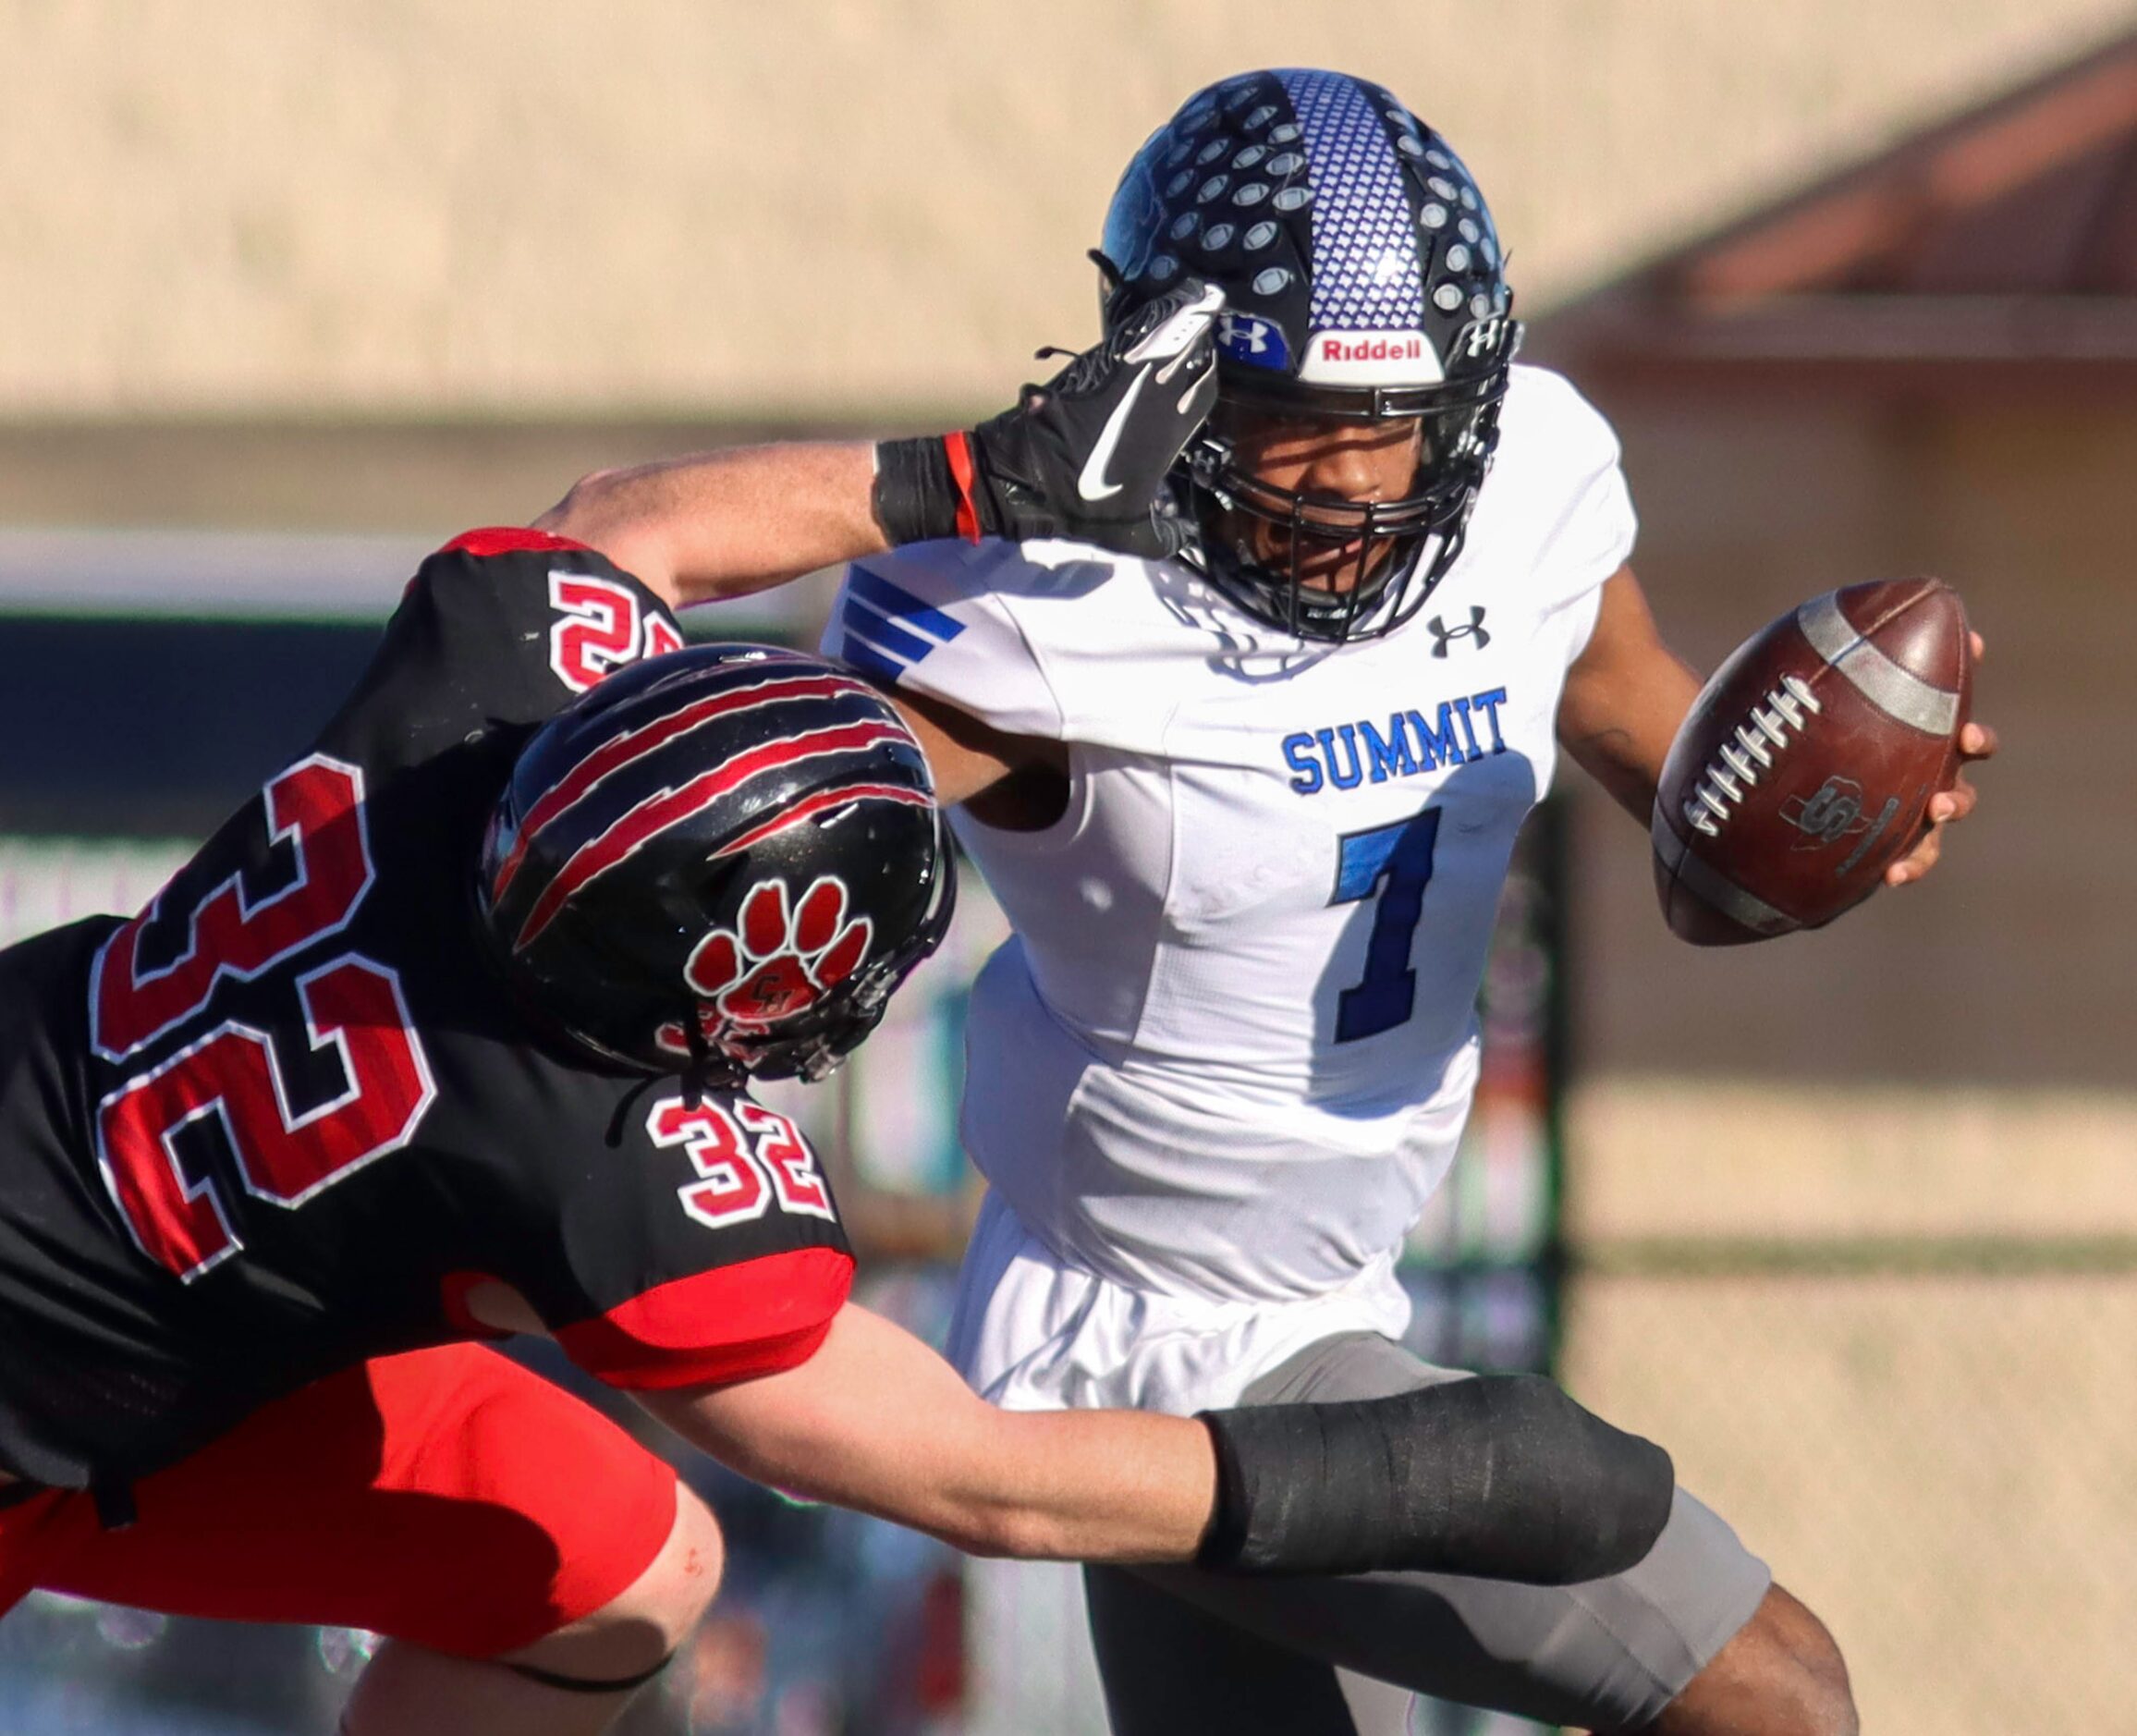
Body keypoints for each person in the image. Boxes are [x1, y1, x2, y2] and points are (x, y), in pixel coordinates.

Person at [0, 297, 1679, 1736]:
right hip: (56, 1388)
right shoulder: (596, 1162)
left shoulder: (468, 699)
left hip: (115, 1262)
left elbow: (622, 527)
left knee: (613, 1564)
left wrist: (973, 478)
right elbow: (981, 1477)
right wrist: (1415, 1476)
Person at [561, 68, 1998, 1736]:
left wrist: (1812, 818)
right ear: (1164, 380)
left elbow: (1659, 758)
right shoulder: (1041, 610)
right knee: (1773, 1689)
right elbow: (606, 565)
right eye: (1294, 413)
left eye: (1392, 423)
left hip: (1344, 1285)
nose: (1348, 482)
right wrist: (953, 476)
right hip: (1154, 1331)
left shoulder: (1531, 486)